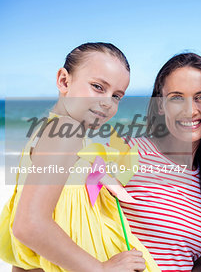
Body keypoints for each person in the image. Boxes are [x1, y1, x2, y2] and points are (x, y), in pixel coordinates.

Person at [0, 43, 160, 271]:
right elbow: (28, 225)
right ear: (64, 81)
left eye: (116, 96)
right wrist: (101, 268)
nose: (107, 102)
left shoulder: (58, 132)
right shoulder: (66, 132)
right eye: (97, 87)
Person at [120, 53, 201, 271]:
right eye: (176, 97)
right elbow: (74, 217)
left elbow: (193, 263)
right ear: (160, 105)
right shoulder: (128, 151)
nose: (190, 110)